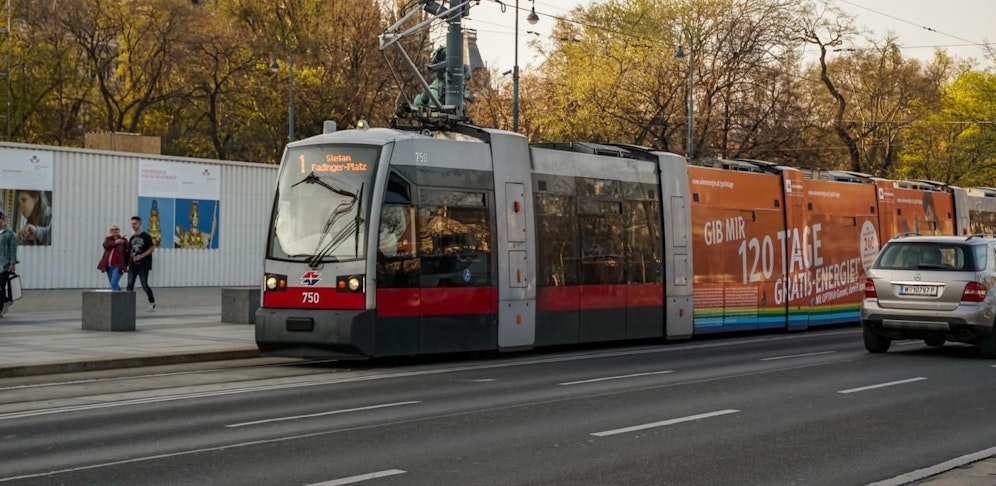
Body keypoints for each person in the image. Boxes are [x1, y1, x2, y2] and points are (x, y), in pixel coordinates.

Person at [126, 216, 157, 311]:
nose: (133, 226)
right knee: (129, 285)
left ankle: (152, 302)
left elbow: (152, 249)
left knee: (144, 285)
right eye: (132, 224)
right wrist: (129, 263)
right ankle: (128, 305)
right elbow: (130, 251)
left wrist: (142, 255)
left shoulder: (146, 236)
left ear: (140, 224)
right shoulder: (131, 238)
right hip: (133, 265)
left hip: (143, 265)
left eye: (135, 223)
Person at [97, 225, 130, 291]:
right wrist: (116, 242)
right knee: (113, 284)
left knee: (113, 283)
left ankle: (117, 300)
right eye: (112, 230)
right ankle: (121, 294)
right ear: (110, 232)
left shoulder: (124, 241)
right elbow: (105, 245)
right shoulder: (108, 239)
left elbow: (128, 253)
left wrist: (128, 264)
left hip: (118, 266)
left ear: (119, 231)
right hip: (109, 266)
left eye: (116, 229)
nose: (114, 231)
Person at [0, 209, 17, 317]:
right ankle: (5, 301)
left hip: (4, 266)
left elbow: (13, 248)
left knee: (0, 287)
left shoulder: (9, 233)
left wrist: (12, 263)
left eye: (1, 219)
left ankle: (0, 309)